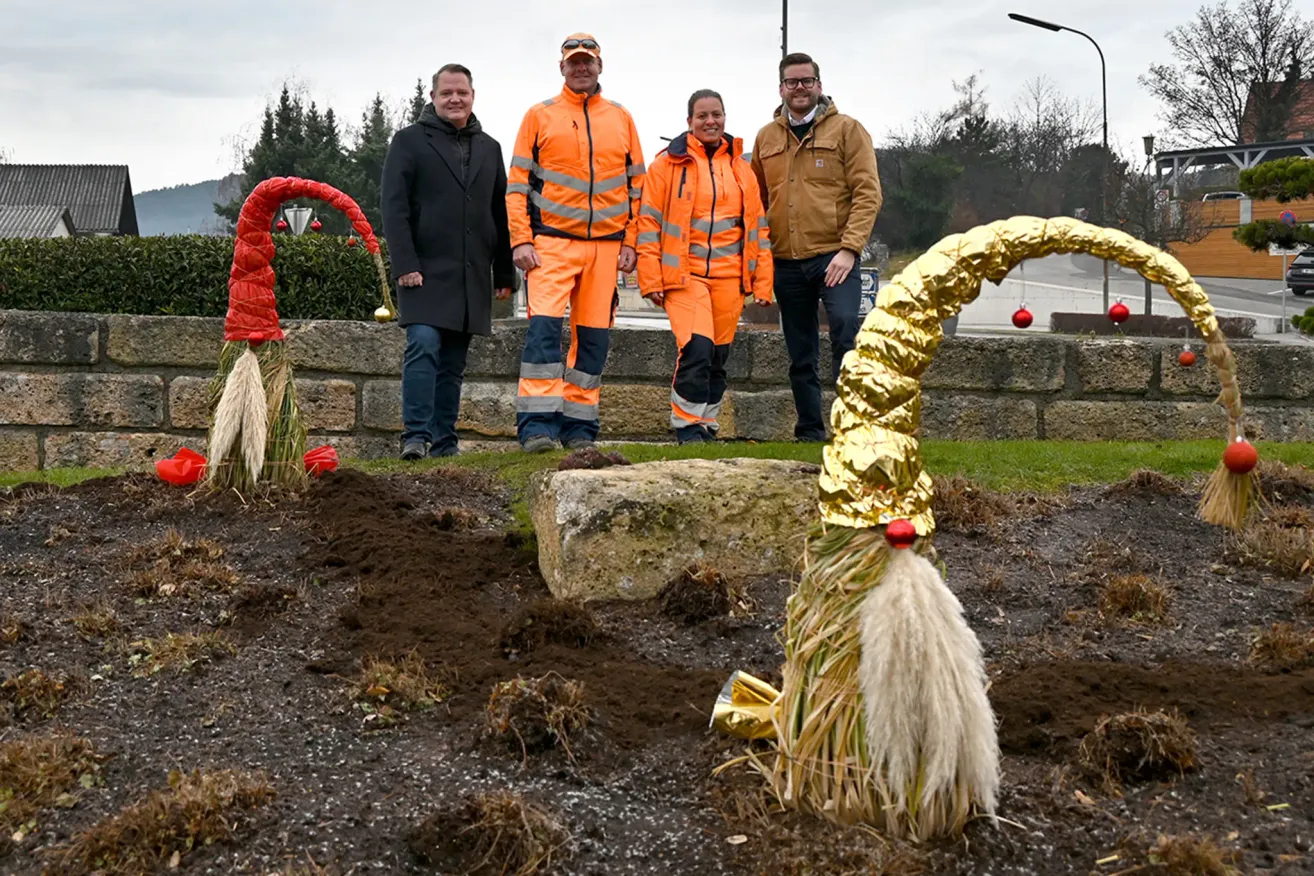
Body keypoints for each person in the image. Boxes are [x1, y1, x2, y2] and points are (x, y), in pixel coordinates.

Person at [507, 33, 646, 452]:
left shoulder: (621, 118)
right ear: (562, 66)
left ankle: (580, 429)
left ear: (600, 66)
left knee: (593, 340)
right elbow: (517, 185)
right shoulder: (539, 115)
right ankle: (536, 427)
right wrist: (520, 240)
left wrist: (631, 242)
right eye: (574, 61)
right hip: (550, 245)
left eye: (588, 61)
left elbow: (638, 188)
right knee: (543, 336)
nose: (581, 67)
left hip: (606, 249)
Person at [381, 63, 515, 460]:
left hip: (471, 271)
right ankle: (415, 438)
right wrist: (405, 262)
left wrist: (504, 270)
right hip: (422, 270)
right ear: (433, 97)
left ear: (473, 96)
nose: (455, 99)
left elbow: (499, 211)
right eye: (446, 93)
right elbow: (394, 207)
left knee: (454, 361)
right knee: (423, 344)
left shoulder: (490, 147)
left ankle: (445, 441)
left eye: (462, 93)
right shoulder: (407, 142)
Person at [751, 52, 882, 442]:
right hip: (786, 262)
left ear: (819, 85)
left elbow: (868, 194)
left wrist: (850, 248)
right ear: (781, 89)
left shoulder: (847, 130)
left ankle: (853, 427)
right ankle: (810, 430)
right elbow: (755, 201)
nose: (800, 88)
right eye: (792, 82)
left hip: (834, 255)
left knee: (845, 330)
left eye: (807, 81)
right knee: (800, 351)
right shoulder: (765, 138)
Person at [636, 90, 772, 443]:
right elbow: (648, 223)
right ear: (689, 122)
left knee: (718, 357)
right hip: (685, 276)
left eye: (717, 114)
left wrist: (762, 284)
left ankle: (706, 424)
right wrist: (650, 279)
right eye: (702, 116)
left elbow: (758, 229)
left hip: (730, 279)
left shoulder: (742, 169)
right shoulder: (666, 165)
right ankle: (686, 425)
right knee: (696, 348)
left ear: (725, 117)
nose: (710, 121)